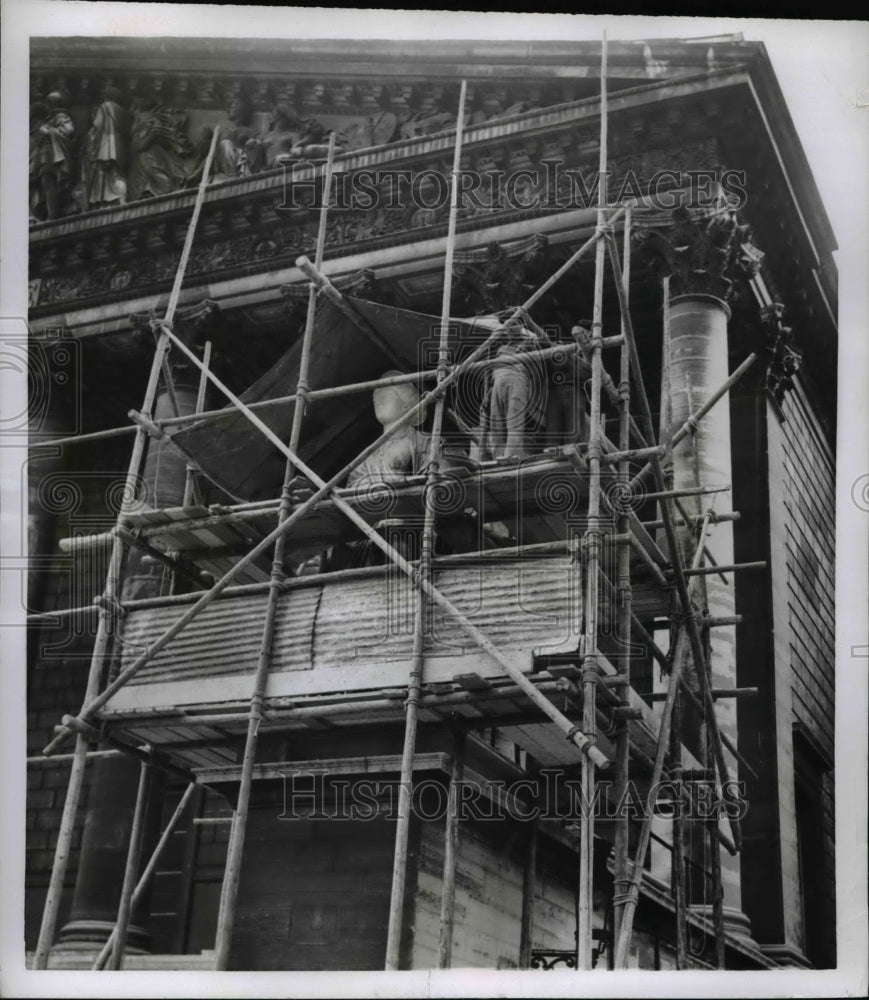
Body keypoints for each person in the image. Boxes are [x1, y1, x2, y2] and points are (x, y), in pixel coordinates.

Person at [481, 321, 549, 460]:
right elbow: (488, 372)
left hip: (517, 379)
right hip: (497, 383)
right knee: (496, 424)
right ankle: (497, 458)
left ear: (521, 327)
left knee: (514, 421)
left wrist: (528, 318)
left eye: (514, 324)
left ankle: (510, 456)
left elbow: (546, 341)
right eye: (508, 326)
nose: (511, 328)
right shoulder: (500, 348)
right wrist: (487, 393)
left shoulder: (528, 342)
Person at [545, 318, 592, 448]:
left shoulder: (589, 353)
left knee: (574, 425)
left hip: (575, 391)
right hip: (557, 390)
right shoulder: (567, 350)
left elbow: (591, 372)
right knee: (555, 424)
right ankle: (553, 449)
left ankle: (572, 448)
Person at [30, 92, 75, 221]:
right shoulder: (50, 119)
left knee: (49, 183)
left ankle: (52, 214)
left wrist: (48, 131)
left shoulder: (61, 116)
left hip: (52, 156)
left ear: (52, 104)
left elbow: (68, 131)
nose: (45, 107)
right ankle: (47, 212)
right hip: (44, 156)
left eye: (47, 103)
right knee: (45, 183)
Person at [82, 85, 129, 211]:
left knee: (104, 173)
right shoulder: (122, 111)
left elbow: (97, 125)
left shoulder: (106, 106)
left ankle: (105, 201)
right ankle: (121, 198)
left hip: (107, 145)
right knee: (117, 174)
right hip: (120, 147)